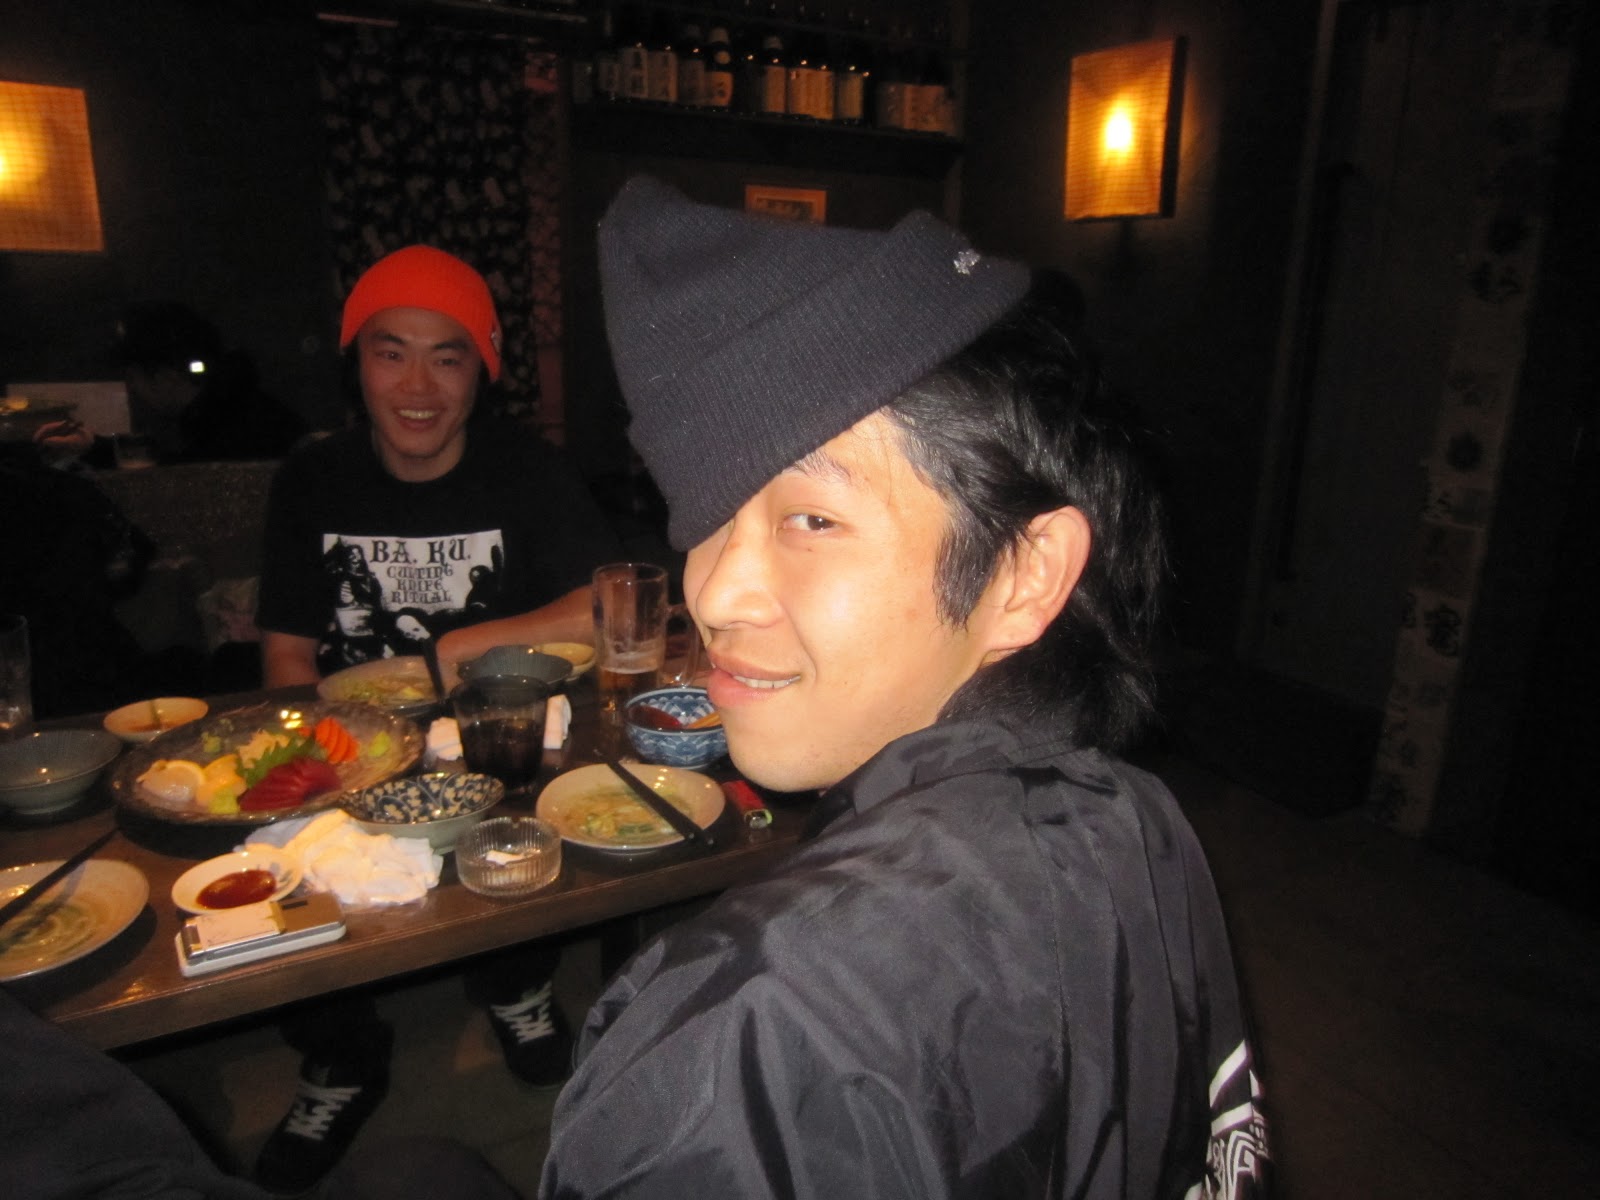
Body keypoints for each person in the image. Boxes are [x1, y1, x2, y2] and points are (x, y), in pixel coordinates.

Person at [536, 176, 1271, 1198]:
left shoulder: (753, 1038)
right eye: (705, 510)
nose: (711, 591)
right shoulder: (1138, 818)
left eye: (812, 519)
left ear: (1023, 576)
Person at [253, 244, 623, 1192]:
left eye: (447, 356)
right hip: (349, 745)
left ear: (480, 371)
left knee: (536, 800)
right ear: (358, 364)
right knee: (280, 846)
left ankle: (517, 986)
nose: (417, 387)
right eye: (391, 352)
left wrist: (441, 655)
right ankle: (341, 1056)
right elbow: (288, 653)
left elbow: (602, 603)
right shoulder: (313, 478)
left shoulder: (526, 470)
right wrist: (319, 758)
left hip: (494, 740)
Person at [35, 301, 306, 467]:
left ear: (166, 377)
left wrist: (96, 451)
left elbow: (177, 478)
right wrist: (92, 447)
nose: (133, 390)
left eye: (133, 377)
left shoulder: (229, 429)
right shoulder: (232, 408)